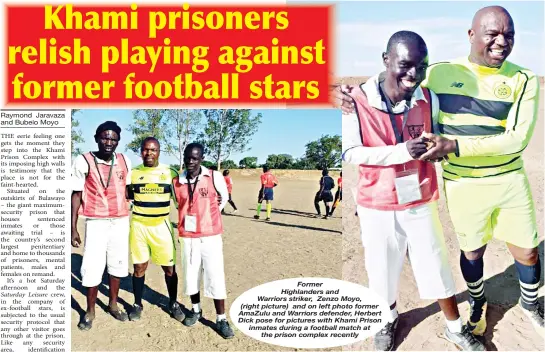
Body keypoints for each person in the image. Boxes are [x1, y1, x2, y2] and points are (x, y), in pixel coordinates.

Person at [333, 6, 543, 337]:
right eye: (492, 33)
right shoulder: (439, 74)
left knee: (519, 252)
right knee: (459, 254)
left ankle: (522, 307)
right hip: (442, 187)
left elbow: (515, 140)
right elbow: (392, 85)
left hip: (487, 183)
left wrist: (450, 147)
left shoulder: (520, 79)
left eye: (509, 35)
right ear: (471, 35)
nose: (501, 42)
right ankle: (459, 306)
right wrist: (348, 93)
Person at [342, 31, 484, 351]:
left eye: (421, 67)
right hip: (376, 202)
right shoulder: (356, 100)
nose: (413, 75)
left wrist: (439, 149)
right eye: (405, 65)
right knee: (382, 269)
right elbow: (350, 152)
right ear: (386, 60)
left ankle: (455, 328)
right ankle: (387, 321)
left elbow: (436, 133)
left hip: (418, 196)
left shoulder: (427, 97)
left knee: (434, 262)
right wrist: (402, 151)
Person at [71, 121, 132, 330]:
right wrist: (73, 227)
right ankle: (89, 310)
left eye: (113, 139)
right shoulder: (83, 160)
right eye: (105, 137)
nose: (109, 142)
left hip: (120, 221)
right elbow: (76, 194)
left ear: (118, 142)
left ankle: (113, 304)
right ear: (96, 138)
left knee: (117, 263)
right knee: (92, 266)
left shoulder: (125, 161)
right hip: (96, 221)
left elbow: (128, 190)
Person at [173, 142, 235, 339]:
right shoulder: (177, 181)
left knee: (215, 275)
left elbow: (223, 198)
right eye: (188, 157)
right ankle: (196, 309)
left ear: (202, 158)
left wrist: (213, 209)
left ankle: (221, 318)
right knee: (191, 275)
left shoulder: (214, 176)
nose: (191, 161)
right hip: (188, 237)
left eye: (195, 158)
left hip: (210, 235)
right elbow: (178, 203)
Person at [127, 137, 184, 323]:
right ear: (140, 151)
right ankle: (137, 304)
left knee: (169, 268)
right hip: (139, 226)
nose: (149, 153)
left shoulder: (170, 173)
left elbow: (181, 203)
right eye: (145, 149)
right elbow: (126, 197)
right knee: (139, 267)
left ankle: (173, 303)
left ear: (159, 151)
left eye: (153, 150)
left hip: (161, 226)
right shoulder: (133, 173)